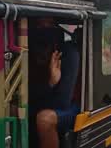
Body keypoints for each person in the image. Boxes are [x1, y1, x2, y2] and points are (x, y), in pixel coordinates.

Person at [29, 18, 81, 148]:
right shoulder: (30, 52)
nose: (44, 29)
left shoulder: (68, 54)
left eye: (49, 24)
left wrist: (53, 82)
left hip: (73, 106)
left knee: (44, 119)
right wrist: (51, 83)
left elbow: (62, 103)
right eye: (40, 24)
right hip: (44, 100)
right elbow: (30, 93)